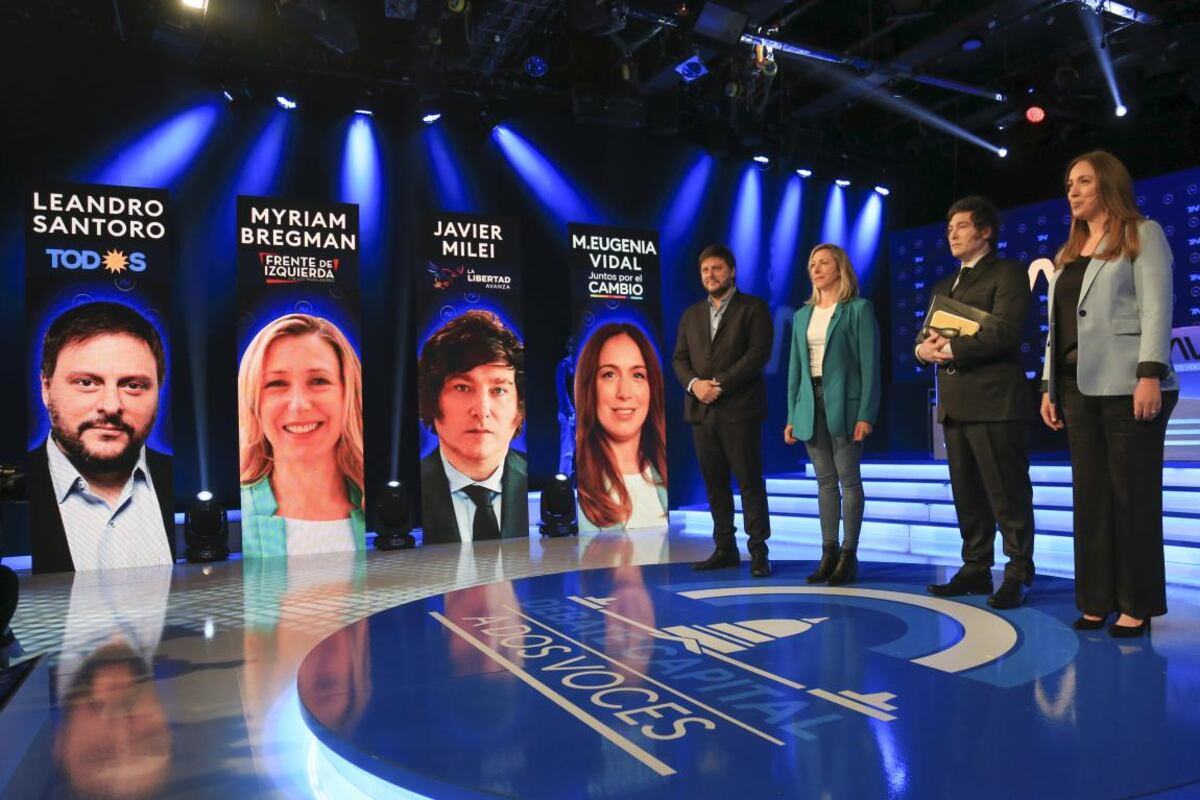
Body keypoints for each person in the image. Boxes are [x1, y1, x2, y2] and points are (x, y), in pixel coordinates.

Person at [1039, 150, 1177, 637]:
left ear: (1109, 184)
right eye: (1069, 183)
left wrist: (1149, 374)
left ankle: (1136, 604)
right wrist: (1048, 386)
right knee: (1091, 498)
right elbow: (1057, 328)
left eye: (1083, 181)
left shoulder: (1142, 233)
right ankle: (1096, 600)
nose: (1072, 191)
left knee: (1131, 497)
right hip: (1076, 386)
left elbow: (1157, 307)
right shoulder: (1068, 253)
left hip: (1129, 384)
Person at [916, 196, 1037, 609]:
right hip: (955, 405)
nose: (953, 233)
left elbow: (1005, 332)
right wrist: (922, 352)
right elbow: (924, 338)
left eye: (962, 226)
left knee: (1008, 493)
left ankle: (1018, 570)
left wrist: (950, 349)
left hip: (996, 403)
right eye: (950, 228)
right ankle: (975, 566)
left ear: (985, 232)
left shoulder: (1008, 273)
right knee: (967, 495)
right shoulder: (943, 286)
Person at [26, 301, 175, 573]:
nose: (111, 406)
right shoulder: (18, 490)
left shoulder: (181, 482)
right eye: (87, 383)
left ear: (158, 391)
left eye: (133, 386)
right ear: (46, 388)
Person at [672, 244, 774, 577]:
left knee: (749, 482)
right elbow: (679, 359)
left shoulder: (753, 308)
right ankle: (725, 548)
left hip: (739, 410)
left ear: (732, 271)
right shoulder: (691, 315)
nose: (710, 275)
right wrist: (695, 385)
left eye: (716, 268)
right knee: (714, 484)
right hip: (701, 412)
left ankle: (758, 551)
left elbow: (758, 354)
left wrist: (718, 384)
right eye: (705, 270)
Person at [784, 243, 881, 585]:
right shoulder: (802, 316)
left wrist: (866, 413)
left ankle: (849, 555)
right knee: (825, 482)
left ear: (840, 269)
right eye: (812, 263)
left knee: (848, 480)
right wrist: (792, 415)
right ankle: (828, 553)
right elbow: (795, 370)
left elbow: (870, 366)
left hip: (845, 405)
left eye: (824, 263)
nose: (816, 268)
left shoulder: (858, 309)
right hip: (810, 403)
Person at [239, 313, 366, 557]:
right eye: (277, 383)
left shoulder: (384, 509)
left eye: (318, 381)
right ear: (253, 402)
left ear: (348, 394)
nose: (299, 404)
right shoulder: (235, 519)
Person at [417, 309, 528, 544]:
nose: (481, 410)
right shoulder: (412, 490)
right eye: (463, 388)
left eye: (499, 390)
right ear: (432, 400)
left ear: (519, 409)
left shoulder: (539, 487)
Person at [575, 323, 669, 531]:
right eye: (610, 374)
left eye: (638, 375)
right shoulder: (576, 490)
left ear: (652, 388)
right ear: (589, 387)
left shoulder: (667, 479)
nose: (625, 393)